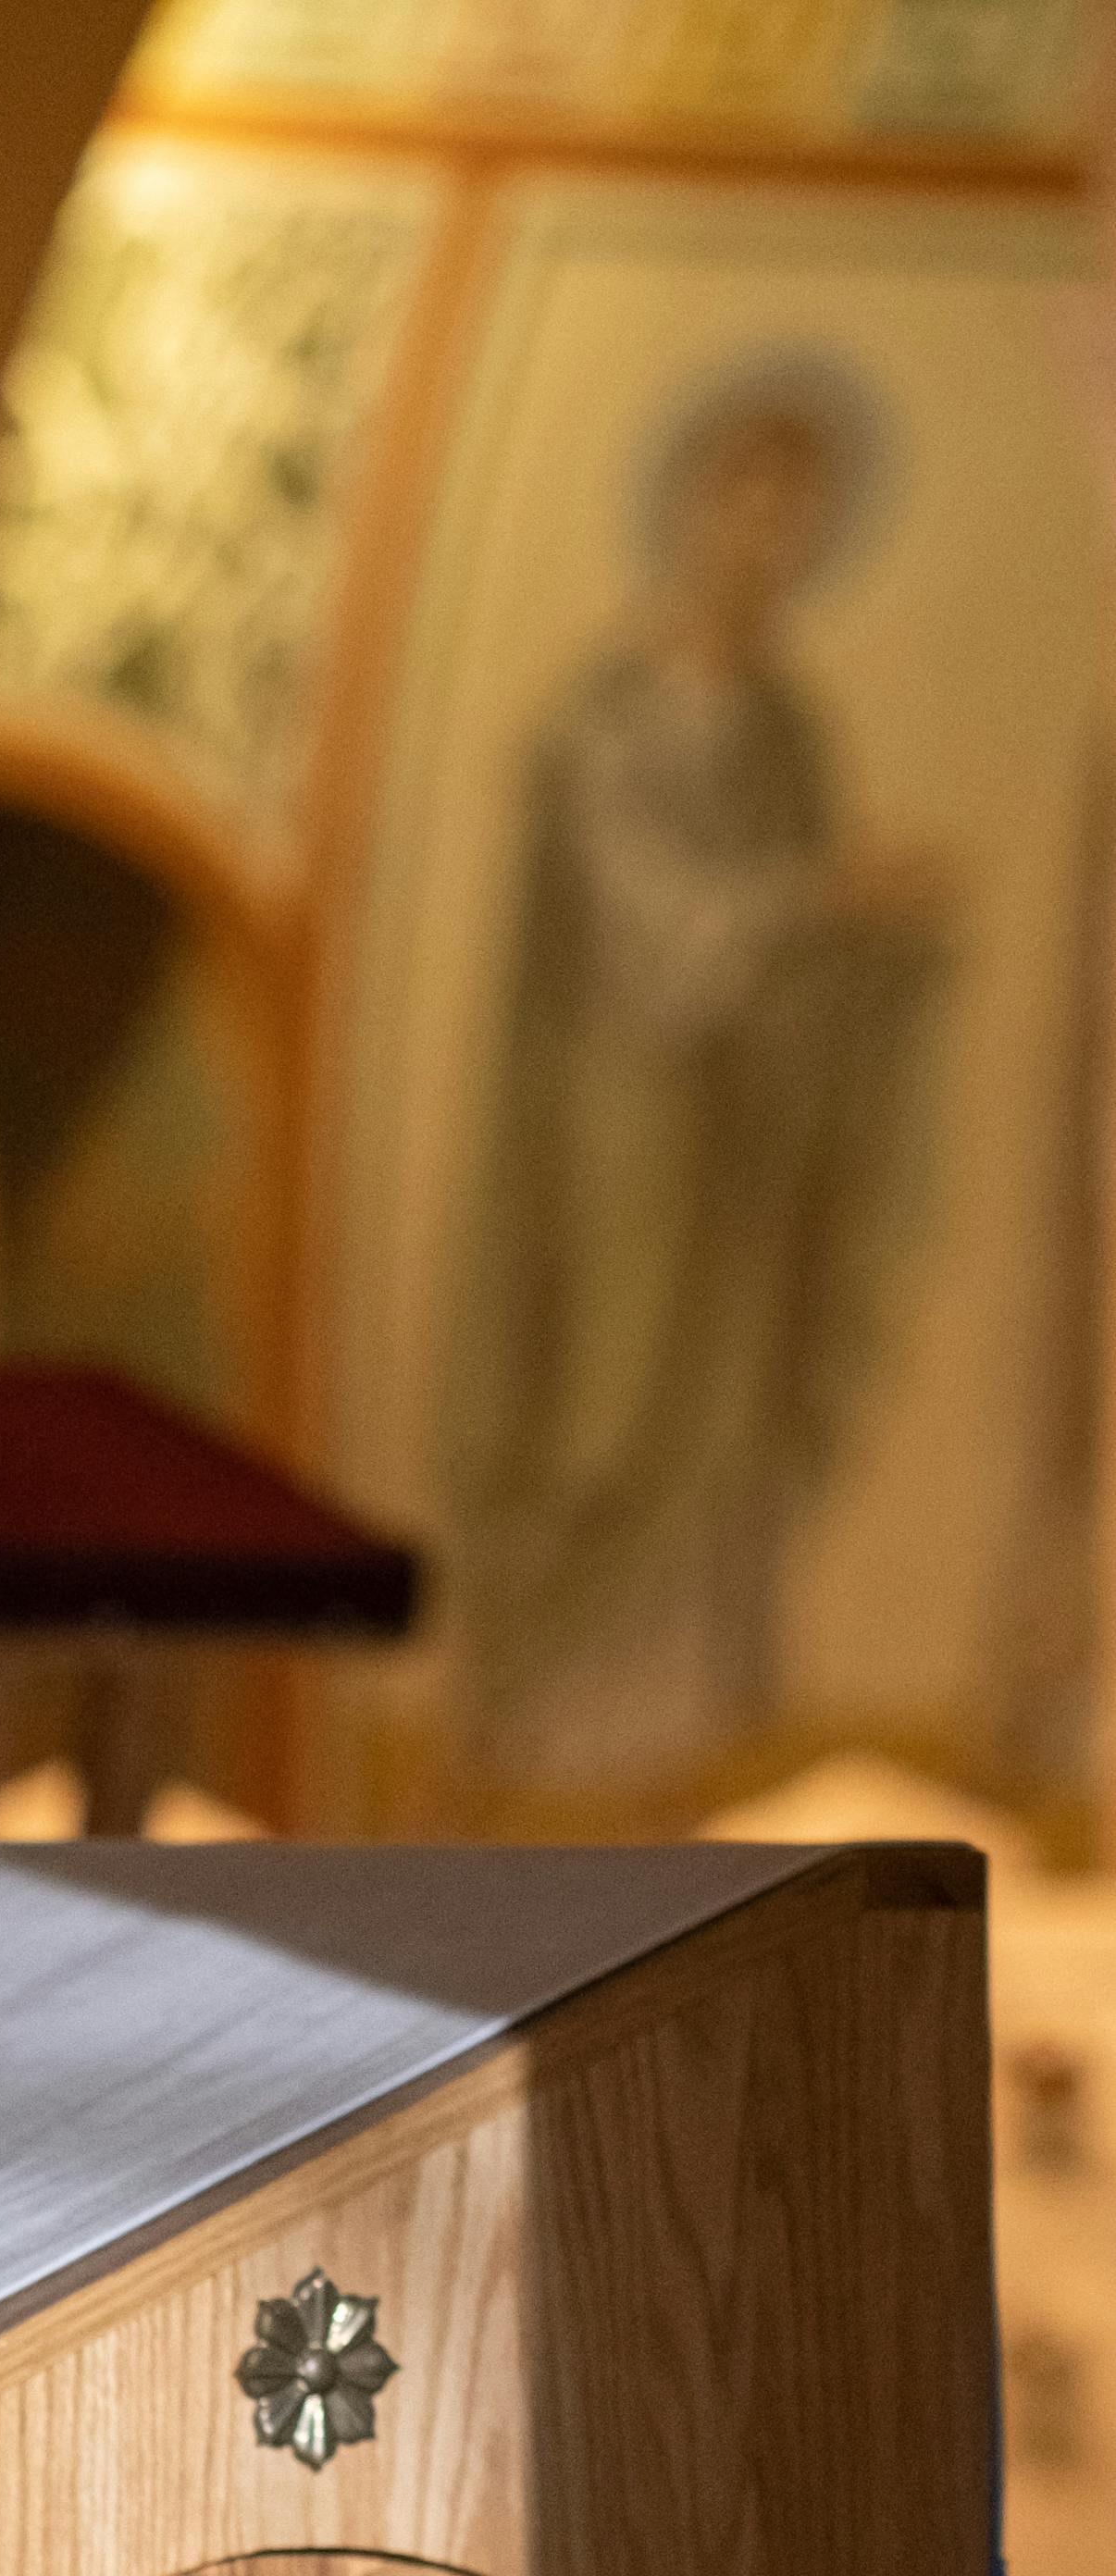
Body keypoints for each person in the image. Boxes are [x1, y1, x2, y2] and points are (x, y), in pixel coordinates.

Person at [443, 349, 950, 1783]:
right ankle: (551, 1735)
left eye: (799, 513)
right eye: (748, 501)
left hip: (745, 1145)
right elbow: (649, 932)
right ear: (690, 508)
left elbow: (801, 947)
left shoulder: (790, 727)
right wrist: (824, 902)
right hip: (620, 1136)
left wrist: (870, 943)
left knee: (726, 1421)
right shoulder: (602, 721)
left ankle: (692, 1739)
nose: (767, 540)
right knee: (610, 1423)